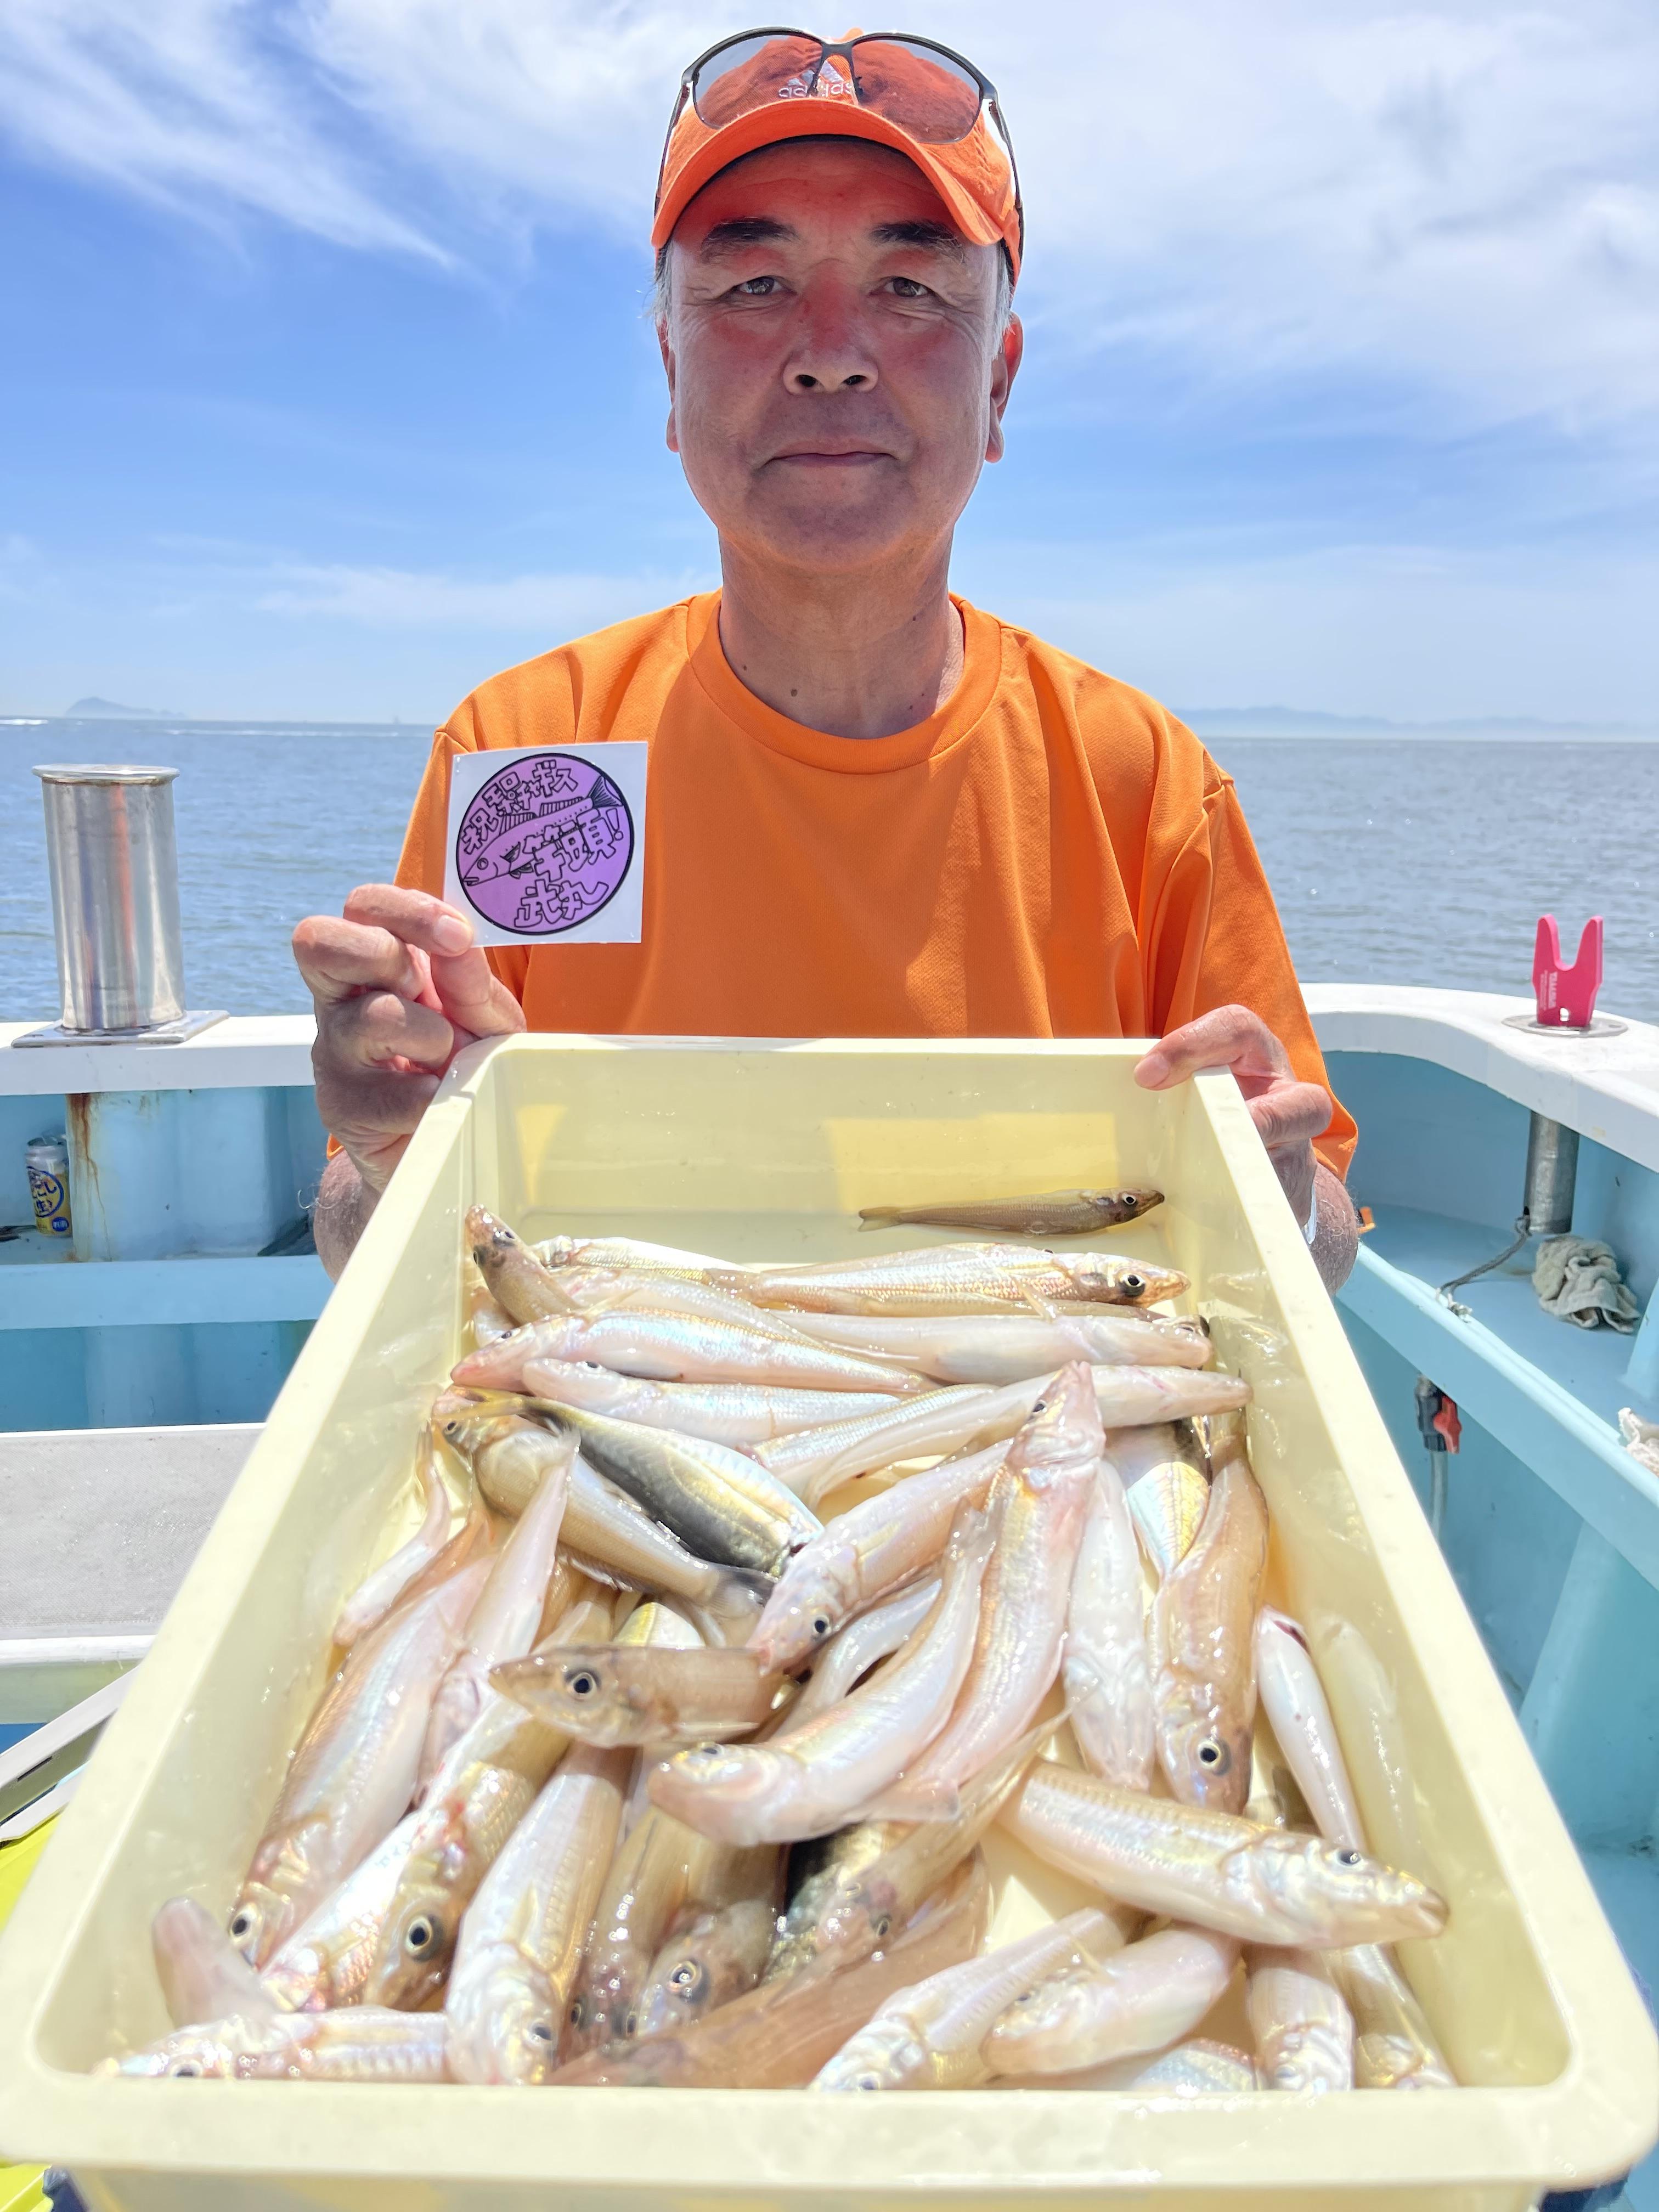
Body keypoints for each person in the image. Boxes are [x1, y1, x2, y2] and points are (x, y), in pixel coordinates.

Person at [294, 27, 1358, 1293]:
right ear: (671, 372)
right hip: (614, 1425)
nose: (831, 349)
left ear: (1001, 382)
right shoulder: (534, 748)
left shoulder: (1142, 780)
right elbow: (365, 1244)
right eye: (752, 286)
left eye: (911, 289)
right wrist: (390, 1159)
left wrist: (1277, 1195)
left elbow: (1327, 1232)